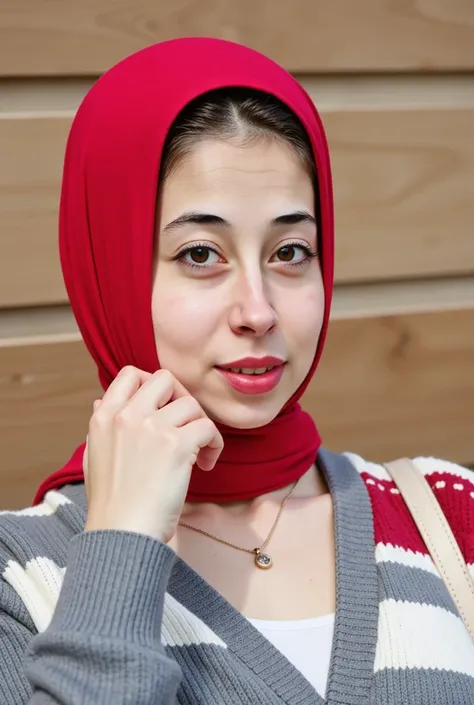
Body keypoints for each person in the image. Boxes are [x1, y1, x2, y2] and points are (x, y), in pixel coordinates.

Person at [0, 37, 472, 705]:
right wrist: (121, 544)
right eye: (200, 253)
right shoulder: (20, 576)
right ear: (109, 267)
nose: (258, 309)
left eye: (289, 251)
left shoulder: (448, 517)